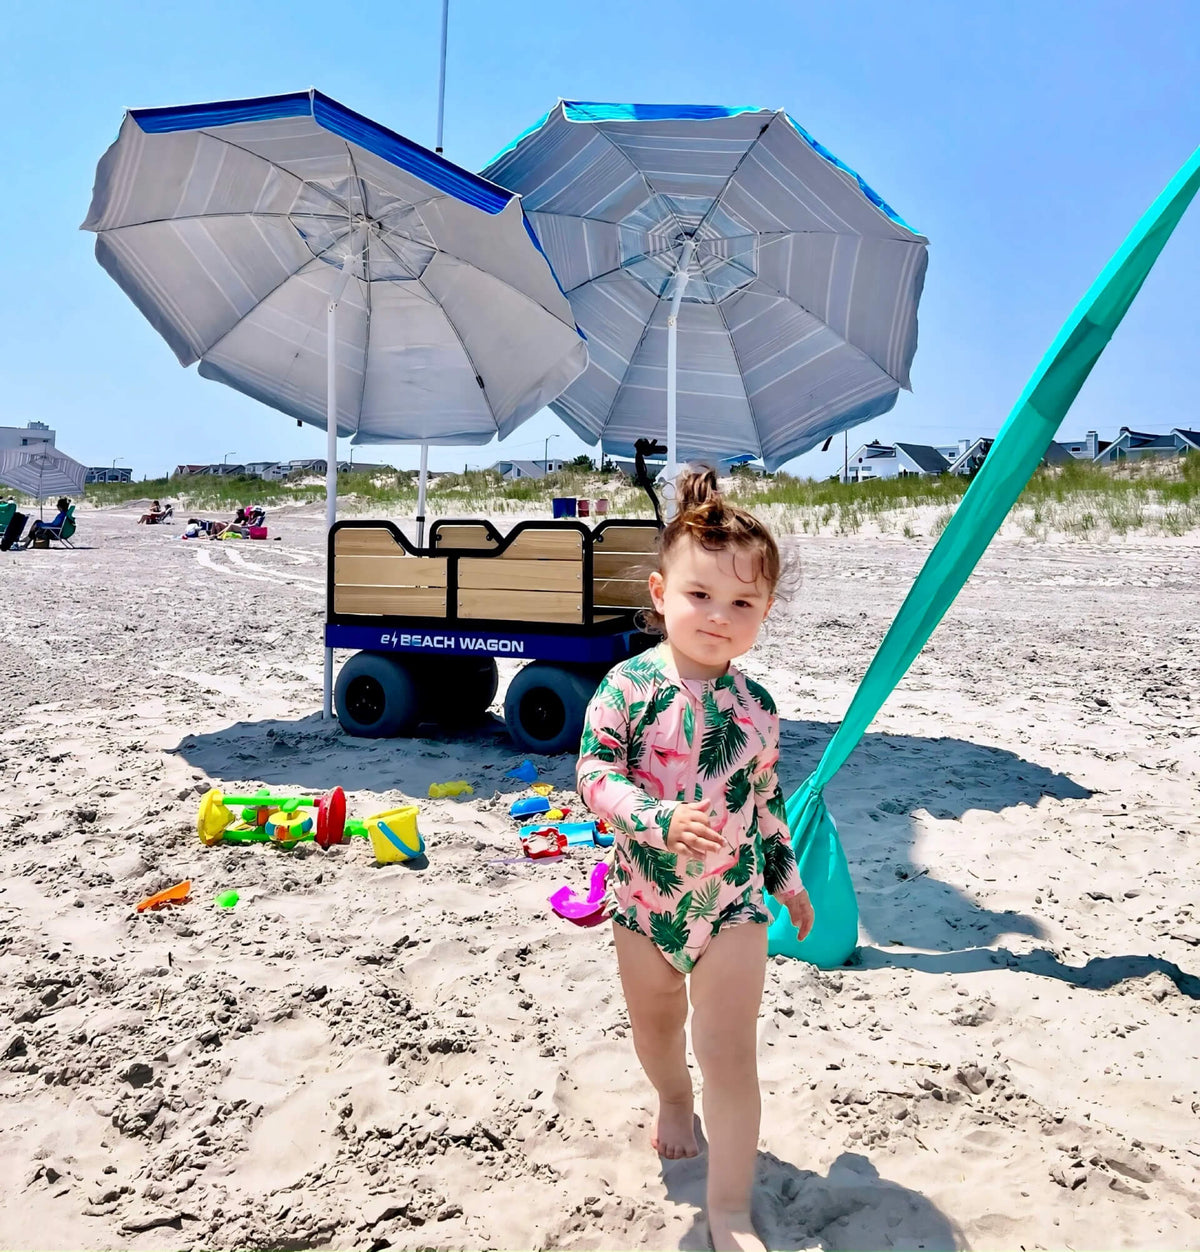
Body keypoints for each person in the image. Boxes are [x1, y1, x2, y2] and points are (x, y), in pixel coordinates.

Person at [576, 467, 814, 1252]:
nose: (719, 616)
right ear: (660, 593)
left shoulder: (758, 709)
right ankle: (673, 1100)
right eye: (701, 595)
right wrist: (656, 819)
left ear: (766, 611)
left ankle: (731, 1208)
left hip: (733, 906)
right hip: (643, 904)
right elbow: (593, 774)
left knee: (730, 1055)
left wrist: (786, 878)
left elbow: (766, 800)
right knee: (656, 1033)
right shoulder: (626, 687)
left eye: (743, 603)